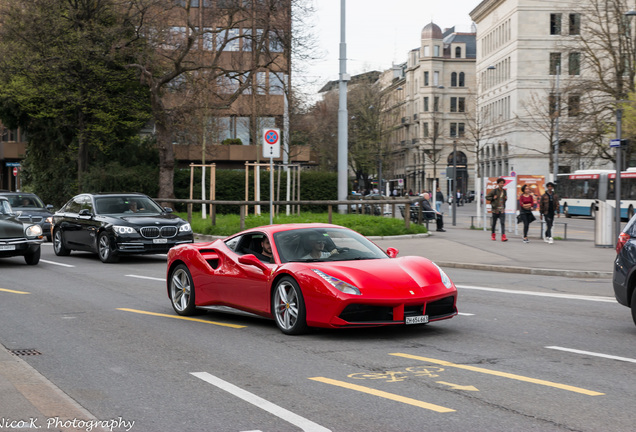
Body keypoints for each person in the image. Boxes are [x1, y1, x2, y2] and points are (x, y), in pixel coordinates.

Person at [486, 177, 508, 241]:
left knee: (502, 223)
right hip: (495, 210)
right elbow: (487, 197)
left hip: (502, 209)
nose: (502, 184)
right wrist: (493, 198)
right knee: (494, 223)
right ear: (498, 184)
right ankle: (493, 235)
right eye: (501, 183)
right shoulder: (494, 191)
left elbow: (503, 200)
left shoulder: (504, 191)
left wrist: (506, 199)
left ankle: (503, 236)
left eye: (503, 183)